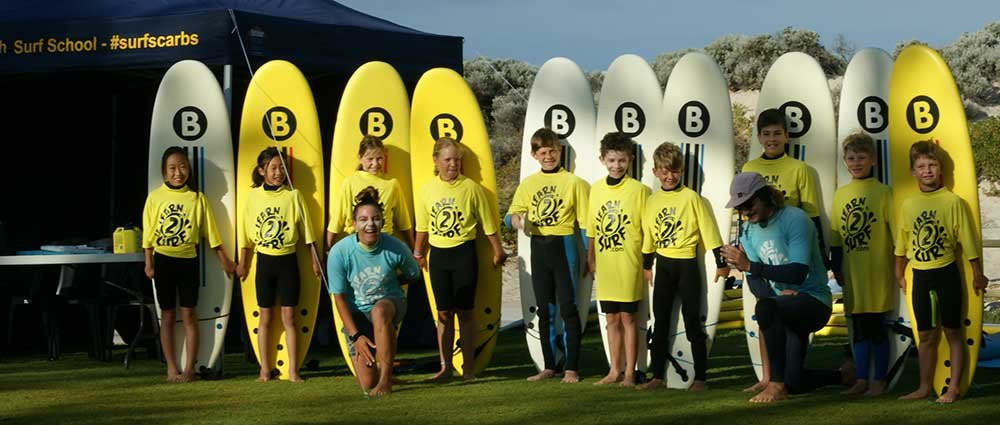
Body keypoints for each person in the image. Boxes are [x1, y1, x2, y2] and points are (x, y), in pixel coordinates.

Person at [721, 172, 850, 403]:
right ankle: (842, 375)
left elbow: (798, 272)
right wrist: (777, 297)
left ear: (765, 196)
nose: (745, 211)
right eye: (740, 207)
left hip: (814, 301)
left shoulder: (796, 219)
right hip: (784, 307)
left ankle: (775, 385)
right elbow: (754, 281)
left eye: (749, 204)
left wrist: (750, 265)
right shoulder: (748, 231)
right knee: (796, 382)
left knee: (767, 308)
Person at [740, 108, 829, 393]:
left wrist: (824, 257)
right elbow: (745, 214)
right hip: (767, 253)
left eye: (777, 133)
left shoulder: (799, 170)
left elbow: (811, 214)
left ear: (787, 136)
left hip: (795, 257)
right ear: (759, 137)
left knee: (773, 310)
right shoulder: (749, 169)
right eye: (766, 134)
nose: (772, 139)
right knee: (766, 305)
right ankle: (768, 378)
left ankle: (776, 382)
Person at [895, 140, 987, 404]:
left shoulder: (952, 202)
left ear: (940, 169)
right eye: (921, 166)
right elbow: (901, 245)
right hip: (920, 276)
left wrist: (977, 272)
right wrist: (900, 274)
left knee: (953, 331)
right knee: (924, 335)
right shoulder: (909, 204)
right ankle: (924, 387)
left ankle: (954, 388)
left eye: (932, 165)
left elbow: (968, 240)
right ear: (912, 171)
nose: (927, 171)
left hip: (946, 272)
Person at [637, 142, 728, 392]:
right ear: (656, 172)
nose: (669, 176)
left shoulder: (692, 198)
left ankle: (700, 378)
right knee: (661, 322)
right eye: (664, 171)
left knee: (692, 324)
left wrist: (721, 264)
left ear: (682, 170)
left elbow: (709, 232)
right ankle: (656, 376)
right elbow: (648, 236)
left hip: (687, 266)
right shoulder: (651, 201)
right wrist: (647, 265)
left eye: (674, 171)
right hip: (663, 266)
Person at [414, 137, 506, 381]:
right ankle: (445, 367)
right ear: (436, 161)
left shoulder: (472, 188)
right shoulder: (426, 189)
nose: (453, 164)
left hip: (464, 253)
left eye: (456, 160)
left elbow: (488, 224)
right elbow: (422, 227)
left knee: (465, 312)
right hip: (439, 256)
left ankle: (468, 368)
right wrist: (418, 252)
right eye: (447, 160)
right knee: (443, 313)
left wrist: (498, 250)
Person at [142, 147, 235, 382]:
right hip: (163, 261)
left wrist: (224, 260)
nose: (178, 172)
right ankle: (171, 368)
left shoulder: (197, 198)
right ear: (164, 173)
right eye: (172, 168)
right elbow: (148, 235)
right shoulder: (155, 197)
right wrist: (148, 262)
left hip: (188, 262)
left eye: (183, 166)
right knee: (168, 316)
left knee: (190, 315)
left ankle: (190, 369)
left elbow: (211, 234)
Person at [507, 128, 590, 383]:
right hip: (539, 248)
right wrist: (517, 220)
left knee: (568, 307)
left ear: (560, 150)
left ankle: (572, 368)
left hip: (564, 246)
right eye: (543, 152)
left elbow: (586, 224)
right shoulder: (529, 184)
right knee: (545, 309)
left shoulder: (574, 183)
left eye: (552, 151)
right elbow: (510, 216)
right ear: (534, 155)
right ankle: (549, 366)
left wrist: (589, 255)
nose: (548, 156)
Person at [236, 147, 322, 382]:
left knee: (289, 318)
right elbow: (244, 234)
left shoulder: (293, 196)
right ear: (262, 170)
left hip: (288, 261)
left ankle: (293, 370)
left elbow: (307, 233)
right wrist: (242, 263)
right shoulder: (252, 197)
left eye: (282, 167)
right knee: (265, 318)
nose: (278, 172)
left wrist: (315, 261)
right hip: (264, 261)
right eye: (273, 168)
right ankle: (264, 369)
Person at [329, 186, 420, 396]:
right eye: (363, 219)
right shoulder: (339, 252)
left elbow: (414, 275)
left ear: (383, 222)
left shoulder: (396, 247)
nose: (370, 224)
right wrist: (356, 335)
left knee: (380, 311)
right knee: (367, 383)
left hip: (390, 304)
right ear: (354, 224)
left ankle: (386, 381)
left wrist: (396, 281)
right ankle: (380, 374)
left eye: (376, 218)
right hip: (357, 314)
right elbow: (339, 298)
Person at [829, 133, 895, 396]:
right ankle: (861, 380)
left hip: (877, 271)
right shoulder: (841, 194)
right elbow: (835, 234)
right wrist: (836, 265)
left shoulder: (884, 193)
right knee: (857, 328)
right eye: (851, 158)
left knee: (876, 327)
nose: (856, 162)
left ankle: (879, 380)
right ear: (845, 162)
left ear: (873, 160)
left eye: (862, 157)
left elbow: (896, 232)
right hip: (852, 272)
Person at [586, 132, 648, 387]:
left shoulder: (640, 191)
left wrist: (646, 263)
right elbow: (591, 228)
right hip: (606, 266)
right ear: (603, 159)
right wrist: (590, 258)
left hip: (629, 265)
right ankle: (614, 370)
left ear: (630, 160)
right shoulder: (597, 189)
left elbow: (648, 231)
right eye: (611, 160)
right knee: (611, 319)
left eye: (621, 160)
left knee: (628, 319)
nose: (616, 165)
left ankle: (631, 373)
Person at [326, 135, 415, 251]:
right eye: (370, 159)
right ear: (360, 158)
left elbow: (404, 222)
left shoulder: (392, 184)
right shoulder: (349, 182)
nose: (375, 163)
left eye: (379, 158)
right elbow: (336, 221)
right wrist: (327, 249)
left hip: (384, 245)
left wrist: (414, 250)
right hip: (357, 244)